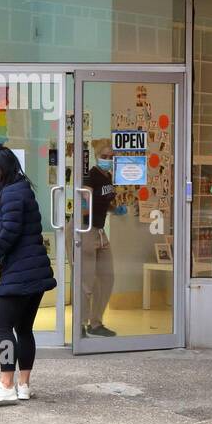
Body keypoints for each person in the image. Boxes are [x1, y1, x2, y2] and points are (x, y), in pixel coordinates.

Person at [0, 147, 56, 405]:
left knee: (2, 326)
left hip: (21, 274)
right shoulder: (18, 190)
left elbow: (8, 236)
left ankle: (6, 384)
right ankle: (23, 386)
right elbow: (2, 229)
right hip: (33, 273)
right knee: (24, 328)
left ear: (0, 170)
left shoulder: (12, 194)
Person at [80, 140, 117, 337]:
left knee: (107, 277)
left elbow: (103, 203)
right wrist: (86, 207)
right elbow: (84, 205)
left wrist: (114, 209)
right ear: (96, 156)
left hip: (100, 230)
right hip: (86, 229)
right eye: (104, 157)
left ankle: (96, 323)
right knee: (87, 282)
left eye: (111, 158)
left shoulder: (108, 176)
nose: (108, 160)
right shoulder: (91, 175)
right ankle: (82, 325)